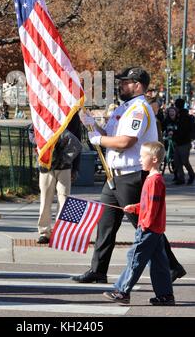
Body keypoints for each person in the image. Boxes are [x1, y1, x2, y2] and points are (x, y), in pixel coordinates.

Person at [72, 67, 186, 284]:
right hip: (114, 176)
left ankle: (171, 266)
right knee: (105, 224)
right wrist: (92, 125)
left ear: (138, 85)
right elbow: (110, 135)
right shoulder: (124, 108)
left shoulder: (139, 110)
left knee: (145, 227)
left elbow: (126, 142)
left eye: (126, 82)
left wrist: (99, 141)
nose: (121, 85)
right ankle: (98, 269)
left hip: (132, 176)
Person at [104, 141, 175, 306]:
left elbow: (152, 207)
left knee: (135, 258)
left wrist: (144, 226)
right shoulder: (152, 179)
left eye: (143, 156)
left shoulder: (154, 181)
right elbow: (147, 204)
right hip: (155, 229)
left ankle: (122, 291)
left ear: (155, 159)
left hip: (148, 228)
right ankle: (165, 295)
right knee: (159, 263)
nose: (140, 159)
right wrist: (135, 208)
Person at [30, 113, 82, 244]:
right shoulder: (43, 110)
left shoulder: (72, 114)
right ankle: (44, 232)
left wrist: (75, 167)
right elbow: (32, 131)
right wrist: (39, 143)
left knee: (64, 199)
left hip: (65, 165)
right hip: (46, 165)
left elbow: (78, 140)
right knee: (45, 199)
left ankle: (61, 232)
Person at [173, 98, 195, 185]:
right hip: (180, 141)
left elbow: (183, 130)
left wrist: (176, 135)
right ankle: (181, 178)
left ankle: (191, 175)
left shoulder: (184, 117)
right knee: (177, 161)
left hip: (184, 142)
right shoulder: (180, 115)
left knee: (184, 161)